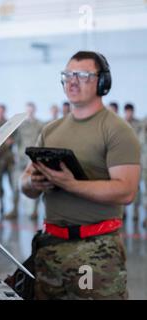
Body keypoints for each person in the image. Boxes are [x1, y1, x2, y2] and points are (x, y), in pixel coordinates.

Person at [21, 51, 140, 299]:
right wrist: (35, 182)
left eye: (83, 75)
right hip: (50, 247)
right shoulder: (50, 130)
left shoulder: (117, 130)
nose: (73, 81)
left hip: (95, 250)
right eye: (67, 75)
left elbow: (126, 191)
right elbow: (25, 185)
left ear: (102, 82)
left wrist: (71, 184)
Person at [5, 102, 44, 220]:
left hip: (33, 160)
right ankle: (14, 209)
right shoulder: (20, 125)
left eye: (31, 110)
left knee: (36, 184)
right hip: (21, 158)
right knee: (15, 184)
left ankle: (34, 211)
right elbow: (13, 139)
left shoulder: (40, 125)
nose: (30, 112)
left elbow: (43, 141)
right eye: (28, 110)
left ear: (35, 110)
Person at [0, 104, 17, 219]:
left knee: (13, 185)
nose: (0, 112)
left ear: (4, 111)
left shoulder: (10, 124)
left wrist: (10, 142)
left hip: (9, 160)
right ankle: (1, 206)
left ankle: (14, 209)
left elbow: (15, 139)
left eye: (2, 110)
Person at [123, 103, 143, 221]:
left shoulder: (139, 124)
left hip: (136, 160)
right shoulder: (121, 123)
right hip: (124, 161)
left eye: (130, 111)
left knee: (138, 187)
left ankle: (135, 211)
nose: (128, 114)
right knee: (122, 185)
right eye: (127, 111)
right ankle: (123, 212)